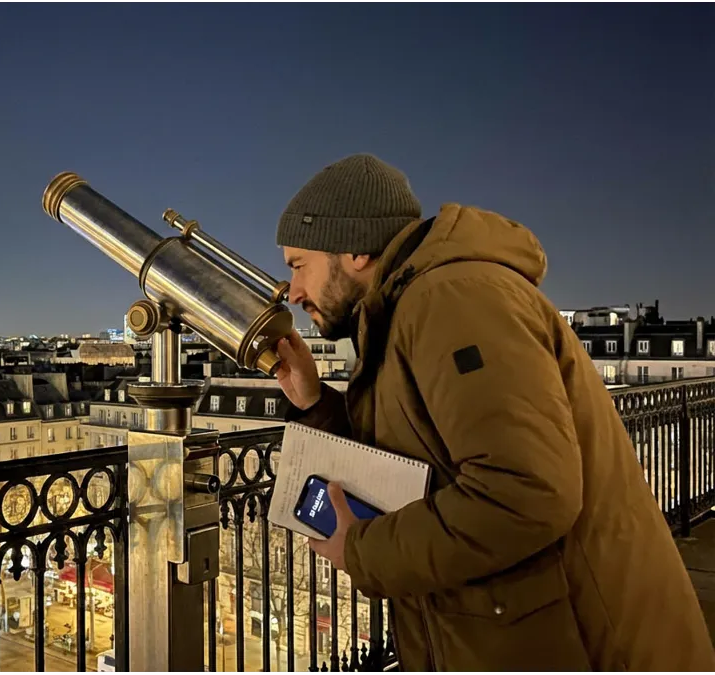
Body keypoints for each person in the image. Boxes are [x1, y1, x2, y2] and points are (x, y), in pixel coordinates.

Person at [272, 154, 715, 671]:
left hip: (579, 642)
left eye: (299, 265)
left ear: (354, 249)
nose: (293, 292)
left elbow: (527, 490)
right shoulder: (412, 307)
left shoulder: (453, 300)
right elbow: (422, 460)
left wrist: (365, 551)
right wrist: (315, 401)